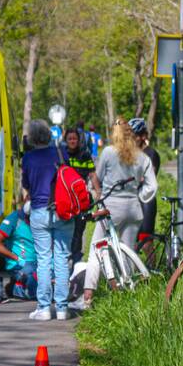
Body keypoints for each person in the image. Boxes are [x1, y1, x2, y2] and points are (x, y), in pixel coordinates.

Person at [72, 119, 157, 311]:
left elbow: (98, 177)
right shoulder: (142, 157)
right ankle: (127, 293)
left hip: (111, 208)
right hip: (134, 209)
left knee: (96, 249)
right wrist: (140, 195)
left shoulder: (108, 153)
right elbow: (152, 185)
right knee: (128, 250)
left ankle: (87, 296)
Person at [23, 119, 73, 321]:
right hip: (62, 211)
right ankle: (62, 308)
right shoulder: (61, 154)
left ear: (32, 138)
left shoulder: (28, 158)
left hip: (39, 211)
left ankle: (44, 308)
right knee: (61, 258)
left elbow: (26, 185)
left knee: (43, 259)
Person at [65, 127, 101, 265]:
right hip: (67, 200)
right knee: (68, 230)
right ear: (66, 140)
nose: (72, 141)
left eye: (74, 138)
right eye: (70, 139)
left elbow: (92, 174)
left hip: (81, 199)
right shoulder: (63, 155)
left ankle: (76, 259)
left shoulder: (85, 155)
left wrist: (98, 191)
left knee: (79, 229)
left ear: (78, 140)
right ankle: (66, 257)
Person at [0, 202, 38, 303]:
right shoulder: (14, 218)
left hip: (39, 261)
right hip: (22, 263)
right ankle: (17, 285)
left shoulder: (42, 217)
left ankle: (15, 285)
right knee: (32, 280)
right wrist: (17, 259)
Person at [129, 117, 160, 241]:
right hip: (130, 200)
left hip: (145, 200)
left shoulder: (150, 153)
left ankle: (151, 261)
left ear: (143, 136)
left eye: (134, 136)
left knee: (146, 241)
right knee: (130, 241)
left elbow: (146, 178)